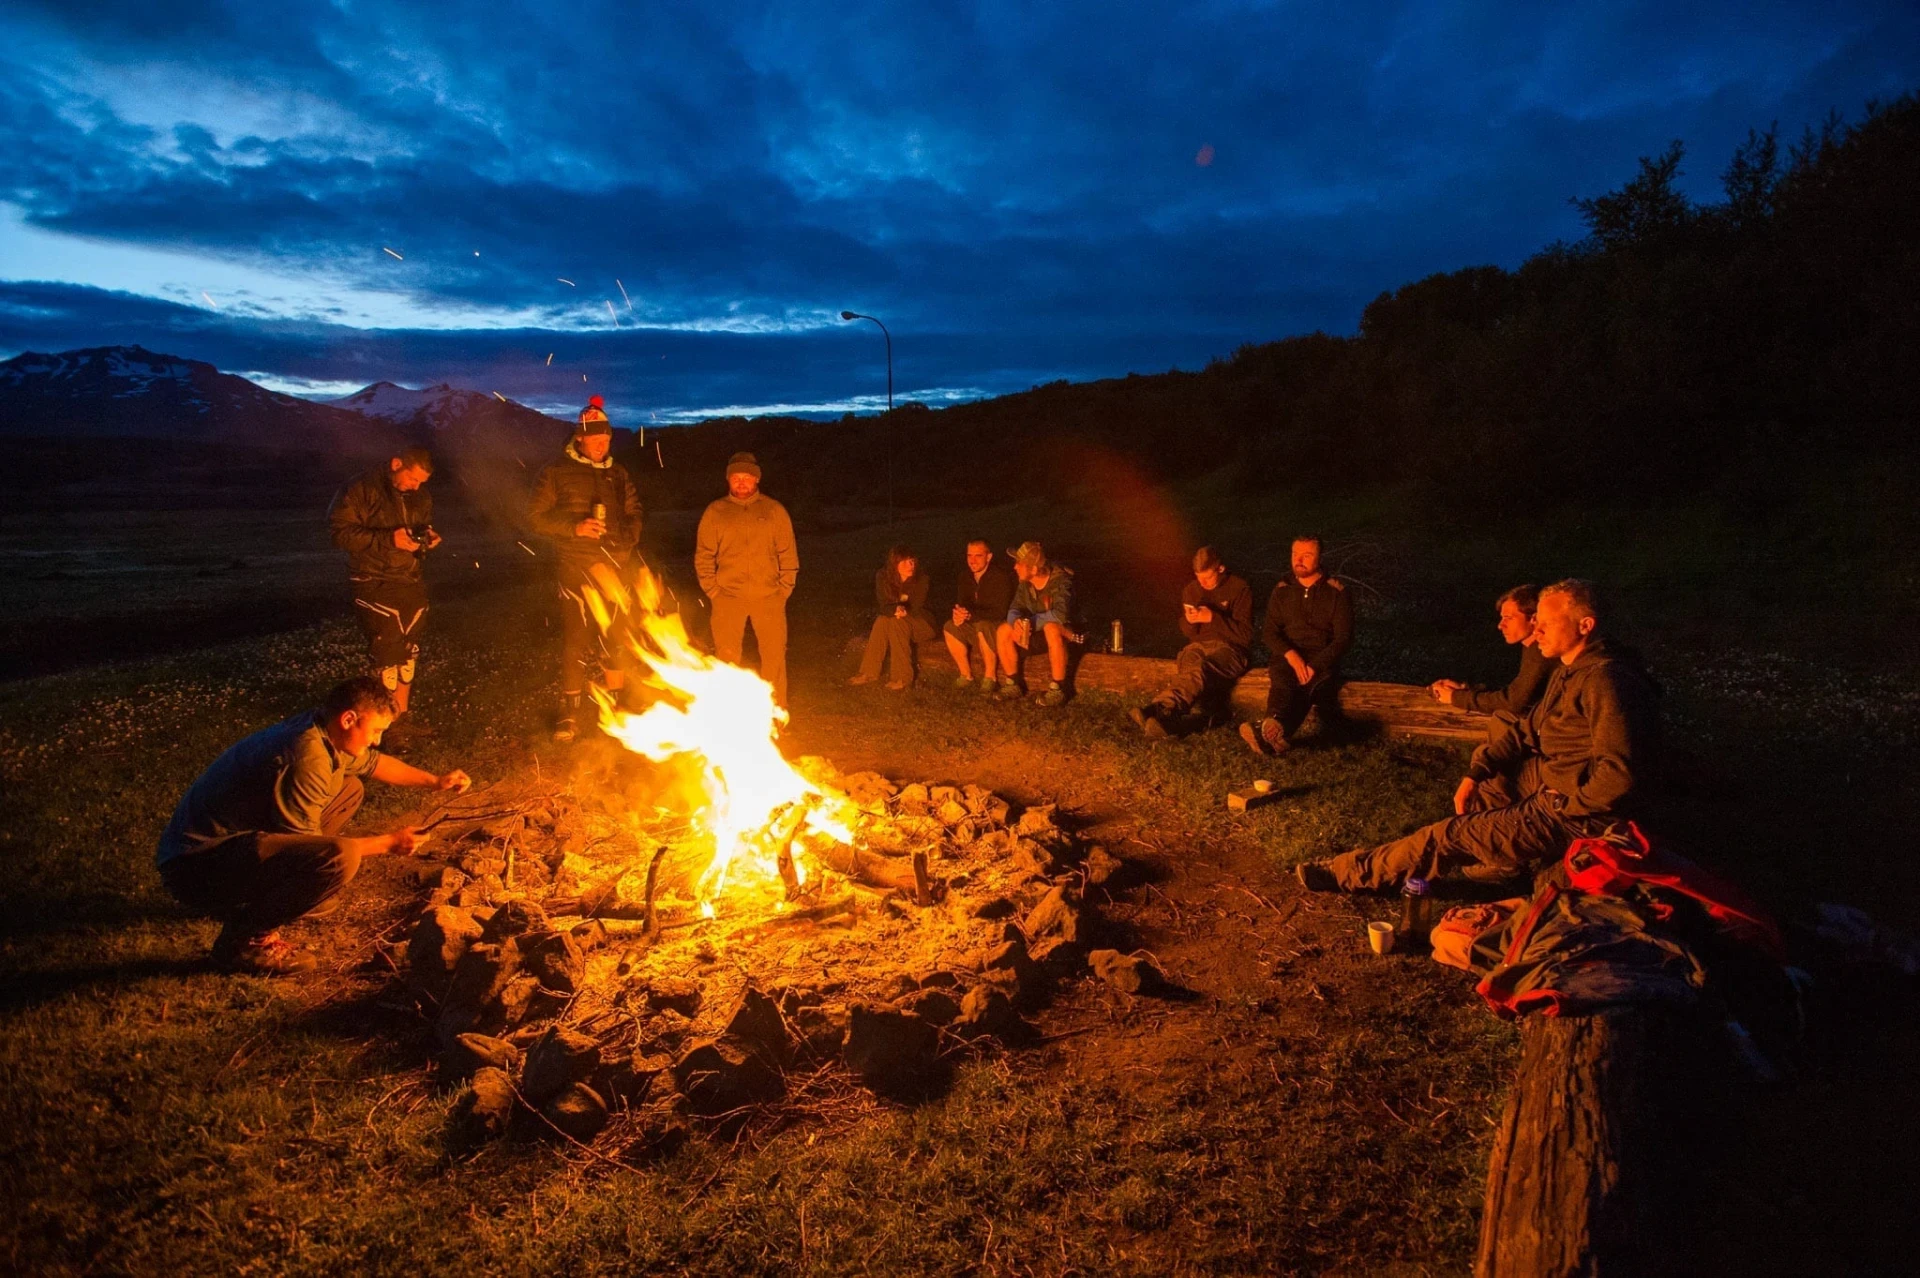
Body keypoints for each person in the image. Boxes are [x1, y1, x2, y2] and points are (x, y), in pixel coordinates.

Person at [1297, 580, 1660, 894]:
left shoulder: (1604, 680)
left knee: (1445, 836)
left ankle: (1347, 872)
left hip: (1575, 812)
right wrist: (1477, 771)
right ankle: (1502, 863)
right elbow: (1525, 729)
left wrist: (1567, 806)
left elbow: (1619, 772)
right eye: (1538, 621)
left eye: (1548, 622)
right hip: (1556, 779)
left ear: (1585, 625)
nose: (1539, 629)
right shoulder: (1570, 670)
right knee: (1493, 777)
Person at [155, 677, 471, 974]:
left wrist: (436, 782)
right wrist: (388, 843)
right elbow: (308, 845)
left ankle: (274, 890)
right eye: (376, 731)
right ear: (349, 719)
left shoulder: (323, 729)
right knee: (340, 857)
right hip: (195, 868)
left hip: (222, 849)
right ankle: (245, 941)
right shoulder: (307, 757)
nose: (377, 741)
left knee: (349, 789)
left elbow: (375, 764)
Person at [527, 398, 644, 741]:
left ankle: (619, 705)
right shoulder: (555, 472)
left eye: (605, 440)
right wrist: (574, 527)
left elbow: (635, 511)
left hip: (614, 567)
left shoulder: (618, 473)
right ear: (579, 439)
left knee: (614, 637)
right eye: (594, 440)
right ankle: (570, 713)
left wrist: (628, 540)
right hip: (574, 566)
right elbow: (534, 518)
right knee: (576, 640)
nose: (600, 445)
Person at [327, 447, 440, 723]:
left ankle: (401, 719)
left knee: (408, 654)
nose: (415, 487)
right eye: (412, 479)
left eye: (421, 483)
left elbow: (419, 526)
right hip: (372, 578)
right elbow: (339, 533)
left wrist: (427, 536)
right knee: (387, 657)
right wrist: (389, 539)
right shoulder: (360, 488)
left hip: (409, 578)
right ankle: (383, 726)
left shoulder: (419, 496)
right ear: (396, 463)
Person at [695, 452, 799, 708]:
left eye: (747, 477)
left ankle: (775, 714)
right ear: (729, 480)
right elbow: (704, 555)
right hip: (728, 597)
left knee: (773, 658)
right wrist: (713, 590)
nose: (741, 482)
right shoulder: (716, 512)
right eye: (736, 478)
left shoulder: (774, 510)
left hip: (768, 596)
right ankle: (730, 714)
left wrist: (783, 589)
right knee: (727, 658)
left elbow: (788, 553)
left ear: (756, 479)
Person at [1241, 535, 1352, 755]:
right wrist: (1291, 655)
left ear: (1319, 559)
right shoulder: (1282, 590)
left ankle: (1272, 729)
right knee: (1282, 681)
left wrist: (1315, 665)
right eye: (1295, 554)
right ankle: (1273, 728)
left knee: (1307, 687)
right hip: (1288, 653)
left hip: (1321, 658)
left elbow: (1343, 638)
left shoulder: (1336, 592)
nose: (1298, 560)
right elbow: (1270, 633)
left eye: (1307, 555)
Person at [1130, 546, 1254, 738]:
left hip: (1230, 650)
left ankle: (1158, 709)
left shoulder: (1239, 588)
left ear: (1220, 569)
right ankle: (1166, 722)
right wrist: (1189, 620)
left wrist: (1212, 618)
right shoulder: (1192, 590)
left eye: (1207, 577)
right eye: (1198, 577)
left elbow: (1245, 635)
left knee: (1200, 670)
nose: (1202, 582)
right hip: (1197, 646)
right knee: (1190, 668)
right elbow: (1189, 632)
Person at [1429, 585, 1553, 719]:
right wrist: (1467, 689)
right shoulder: (1531, 647)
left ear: (1533, 618)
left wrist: (1455, 697)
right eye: (1502, 618)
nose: (1501, 625)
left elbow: (1513, 702)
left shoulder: (1542, 651)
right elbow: (1515, 691)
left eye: (1509, 618)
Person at [996, 541, 1078, 706]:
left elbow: (1060, 615)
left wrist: (1030, 623)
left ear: (1033, 569)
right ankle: (1013, 683)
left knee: (1051, 627)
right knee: (1003, 629)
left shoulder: (1061, 581)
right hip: (1038, 632)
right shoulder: (1025, 584)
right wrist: (1016, 622)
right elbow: (1014, 608)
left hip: (1069, 636)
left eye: (1019, 564)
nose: (1015, 567)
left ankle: (1058, 689)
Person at [851, 545, 936, 690]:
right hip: (895, 618)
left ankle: (902, 678)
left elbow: (917, 606)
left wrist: (904, 610)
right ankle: (869, 672)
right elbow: (883, 605)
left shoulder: (922, 579)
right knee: (882, 620)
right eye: (904, 562)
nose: (910, 565)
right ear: (894, 564)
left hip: (922, 624)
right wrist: (896, 609)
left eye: (912, 561)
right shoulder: (883, 577)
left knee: (898, 623)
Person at [943, 539, 1017, 690]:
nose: (972, 561)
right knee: (949, 626)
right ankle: (965, 674)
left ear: (988, 557)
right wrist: (959, 614)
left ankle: (990, 677)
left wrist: (970, 615)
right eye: (969, 556)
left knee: (983, 625)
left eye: (978, 556)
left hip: (995, 627)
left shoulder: (1000, 577)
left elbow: (1000, 611)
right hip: (974, 624)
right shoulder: (965, 576)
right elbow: (963, 603)